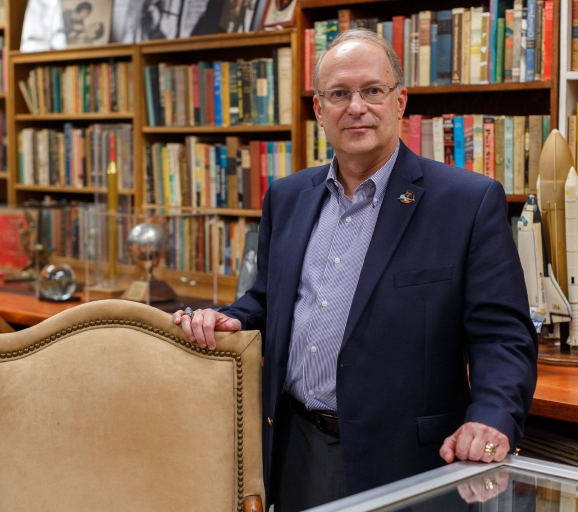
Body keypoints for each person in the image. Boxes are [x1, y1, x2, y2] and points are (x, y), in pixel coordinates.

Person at [172, 28, 538, 511]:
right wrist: (230, 317)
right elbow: (268, 297)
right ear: (320, 110)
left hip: (411, 463)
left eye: (372, 90)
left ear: (400, 100)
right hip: (295, 448)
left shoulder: (467, 202)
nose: (356, 106)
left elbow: (502, 337)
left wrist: (492, 416)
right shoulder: (286, 197)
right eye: (339, 94)